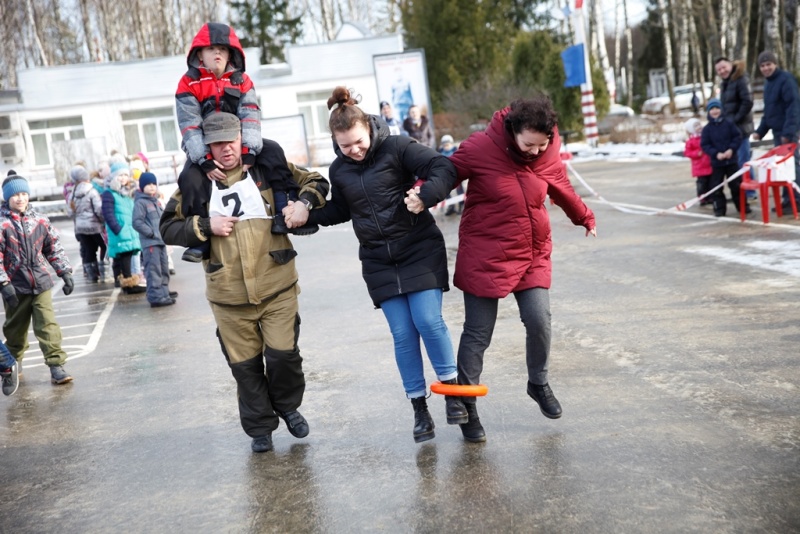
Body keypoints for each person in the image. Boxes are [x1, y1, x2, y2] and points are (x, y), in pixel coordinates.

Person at [408, 96, 597, 443]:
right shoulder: (481, 147)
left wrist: (583, 216)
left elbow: (560, 183)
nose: (536, 152)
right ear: (512, 131)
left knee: (540, 319)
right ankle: (467, 407)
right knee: (478, 333)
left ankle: (538, 382)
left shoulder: (547, 148)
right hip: (486, 254)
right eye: (529, 144)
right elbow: (447, 172)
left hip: (531, 252)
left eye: (543, 144)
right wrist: (425, 195)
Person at [284, 86, 464, 444]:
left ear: (368, 127)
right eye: (345, 146)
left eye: (358, 141)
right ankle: (419, 409)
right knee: (402, 335)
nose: (353, 150)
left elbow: (443, 166)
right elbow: (342, 209)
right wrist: (306, 213)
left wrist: (426, 194)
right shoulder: (340, 170)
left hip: (418, 249)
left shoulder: (398, 148)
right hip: (379, 260)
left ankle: (454, 393)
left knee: (428, 321)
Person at [159, 112, 329, 453]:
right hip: (229, 297)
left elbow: (317, 182)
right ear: (206, 147)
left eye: (231, 141)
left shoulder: (268, 169)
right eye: (217, 144)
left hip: (277, 286)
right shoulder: (197, 183)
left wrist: (303, 205)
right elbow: (166, 227)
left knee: (283, 357)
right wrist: (205, 226)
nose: (225, 150)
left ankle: (288, 406)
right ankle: (260, 428)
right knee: (246, 368)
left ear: (243, 138)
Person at [176, 23, 311, 263]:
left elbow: (250, 114)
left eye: (222, 49)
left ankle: (283, 210)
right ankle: (202, 240)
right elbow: (189, 123)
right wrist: (204, 159)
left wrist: (249, 151)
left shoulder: (242, 81)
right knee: (189, 178)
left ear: (231, 54)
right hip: (206, 146)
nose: (217, 53)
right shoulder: (188, 83)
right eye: (210, 49)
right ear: (199, 54)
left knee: (273, 152)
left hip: (240, 142)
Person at [0, 172, 75, 386]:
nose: (20, 198)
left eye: (24, 193)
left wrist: (65, 272)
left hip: (41, 283)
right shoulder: (2, 224)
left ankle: (56, 365)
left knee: (47, 324)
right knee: (15, 328)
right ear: (7, 197)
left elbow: (53, 248)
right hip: (15, 285)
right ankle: (13, 363)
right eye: (15, 195)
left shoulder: (40, 220)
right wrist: (3, 283)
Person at [752, 50, 800, 208]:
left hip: (788, 132)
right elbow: (769, 111)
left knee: (793, 166)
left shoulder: (786, 80)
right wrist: (760, 131)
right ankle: (788, 200)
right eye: (763, 65)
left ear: (775, 64)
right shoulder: (768, 83)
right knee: (783, 168)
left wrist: (789, 132)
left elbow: (793, 107)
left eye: (769, 64)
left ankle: (797, 200)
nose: (766, 68)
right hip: (778, 132)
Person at [132, 172, 176, 308]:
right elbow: (137, 222)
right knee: (153, 270)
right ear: (142, 186)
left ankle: (164, 293)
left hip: (160, 241)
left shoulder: (155, 201)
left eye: (153, 184)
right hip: (151, 243)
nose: (152, 187)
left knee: (163, 269)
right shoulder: (141, 203)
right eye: (148, 184)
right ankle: (156, 297)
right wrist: (151, 233)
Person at [101, 162, 145, 294]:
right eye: (120, 175)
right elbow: (108, 214)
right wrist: (118, 229)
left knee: (128, 255)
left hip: (130, 230)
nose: (123, 178)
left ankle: (127, 282)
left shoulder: (127, 192)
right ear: (114, 177)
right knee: (124, 256)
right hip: (120, 231)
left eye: (126, 175)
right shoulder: (109, 193)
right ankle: (128, 283)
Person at [701, 98, 748, 217]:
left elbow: (737, 137)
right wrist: (716, 153)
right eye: (712, 109)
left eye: (717, 108)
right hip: (717, 163)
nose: (715, 111)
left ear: (721, 109)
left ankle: (743, 206)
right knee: (716, 187)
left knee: (736, 185)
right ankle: (719, 209)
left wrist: (731, 149)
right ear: (708, 112)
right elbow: (705, 145)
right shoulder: (707, 129)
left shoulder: (729, 124)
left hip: (731, 161)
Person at [66, 164, 106, 282]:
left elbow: (70, 213)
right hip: (95, 226)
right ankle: (104, 272)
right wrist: (103, 222)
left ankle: (92, 275)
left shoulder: (72, 194)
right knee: (104, 247)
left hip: (81, 228)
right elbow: (99, 210)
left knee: (89, 250)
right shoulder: (92, 191)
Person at [683, 118, 713, 206]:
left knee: (711, 182)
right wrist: (696, 153)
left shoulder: (705, 136)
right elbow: (687, 152)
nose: (699, 127)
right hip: (699, 166)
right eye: (695, 126)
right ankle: (702, 198)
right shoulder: (691, 141)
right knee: (702, 183)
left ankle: (710, 196)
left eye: (699, 124)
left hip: (709, 164)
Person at [438, 135, 464, 216]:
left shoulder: (456, 151)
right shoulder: (440, 153)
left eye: (448, 145)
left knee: (459, 189)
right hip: (445, 175)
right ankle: (451, 205)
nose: (446, 147)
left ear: (451, 144)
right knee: (445, 191)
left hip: (456, 174)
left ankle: (462, 204)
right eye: (444, 145)